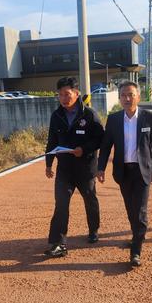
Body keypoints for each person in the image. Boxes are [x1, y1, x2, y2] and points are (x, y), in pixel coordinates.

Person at [97, 81, 152, 267]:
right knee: (130, 209)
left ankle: (136, 251)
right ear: (119, 98)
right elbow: (106, 146)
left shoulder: (149, 117)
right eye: (123, 95)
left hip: (143, 171)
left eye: (131, 95)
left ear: (138, 97)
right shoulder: (114, 119)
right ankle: (137, 235)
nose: (127, 98)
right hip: (123, 171)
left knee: (140, 210)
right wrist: (100, 167)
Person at [44, 77, 104, 257]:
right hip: (65, 169)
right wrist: (49, 164)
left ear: (76, 94)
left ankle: (93, 230)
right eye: (60, 95)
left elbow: (100, 139)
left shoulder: (89, 114)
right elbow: (52, 141)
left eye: (67, 94)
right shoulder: (56, 116)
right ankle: (58, 242)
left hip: (85, 168)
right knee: (61, 205)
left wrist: (83, 149)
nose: (63, 98)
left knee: (90, 200)